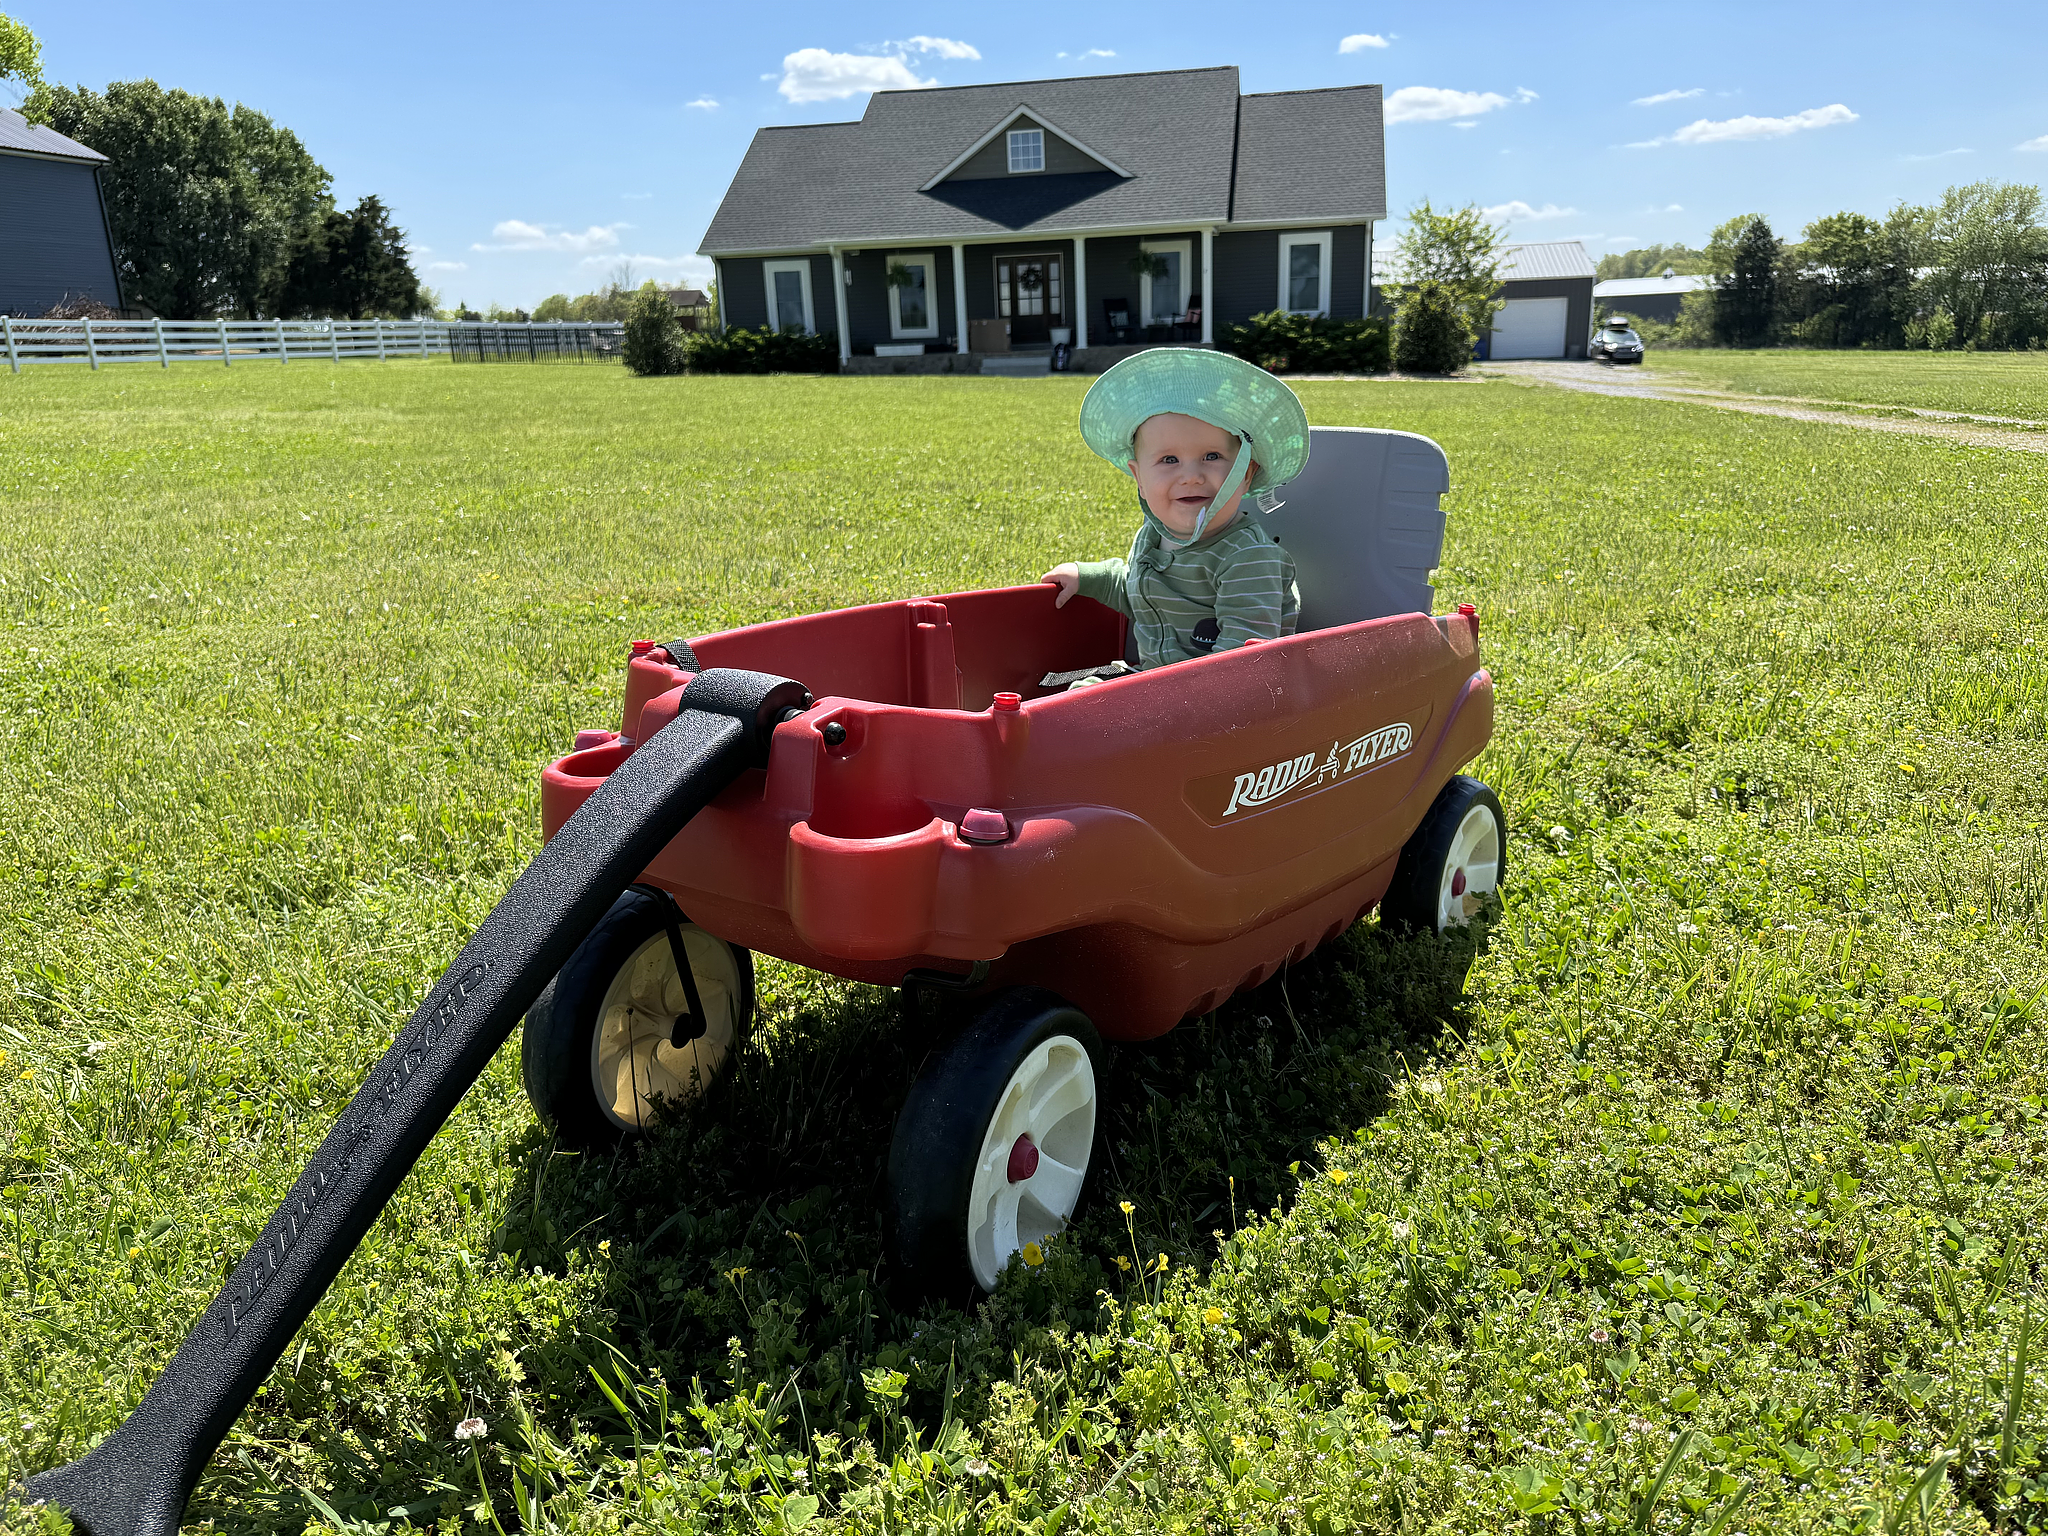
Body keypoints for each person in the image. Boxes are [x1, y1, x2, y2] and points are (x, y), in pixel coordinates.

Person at [1040, 349, 1310, 680]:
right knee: (1066, 691)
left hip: (1217, 706)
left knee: (1086, 708)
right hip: (1154, 681)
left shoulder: (1248, 559)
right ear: (1139, 478)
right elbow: (1141, 593)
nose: (1191, 476)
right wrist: (1090, 578)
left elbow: (1239, 670)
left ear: (1246, 474)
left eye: (1212, 456)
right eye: (1169, 460)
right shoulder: (1154, 537)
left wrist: (1141, 706)